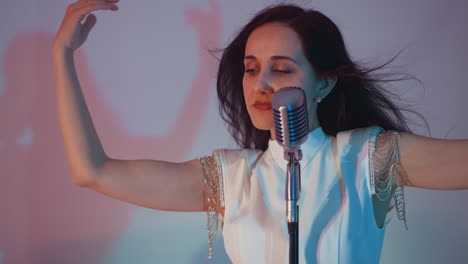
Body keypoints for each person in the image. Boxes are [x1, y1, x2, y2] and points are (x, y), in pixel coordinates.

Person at [52, 1, 468, 263]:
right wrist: (63, 55)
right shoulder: (231, 177)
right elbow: (91, 171)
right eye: (251, 69)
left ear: (323, 83)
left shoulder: (367, 157)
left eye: (283, 68)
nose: (262, 83)